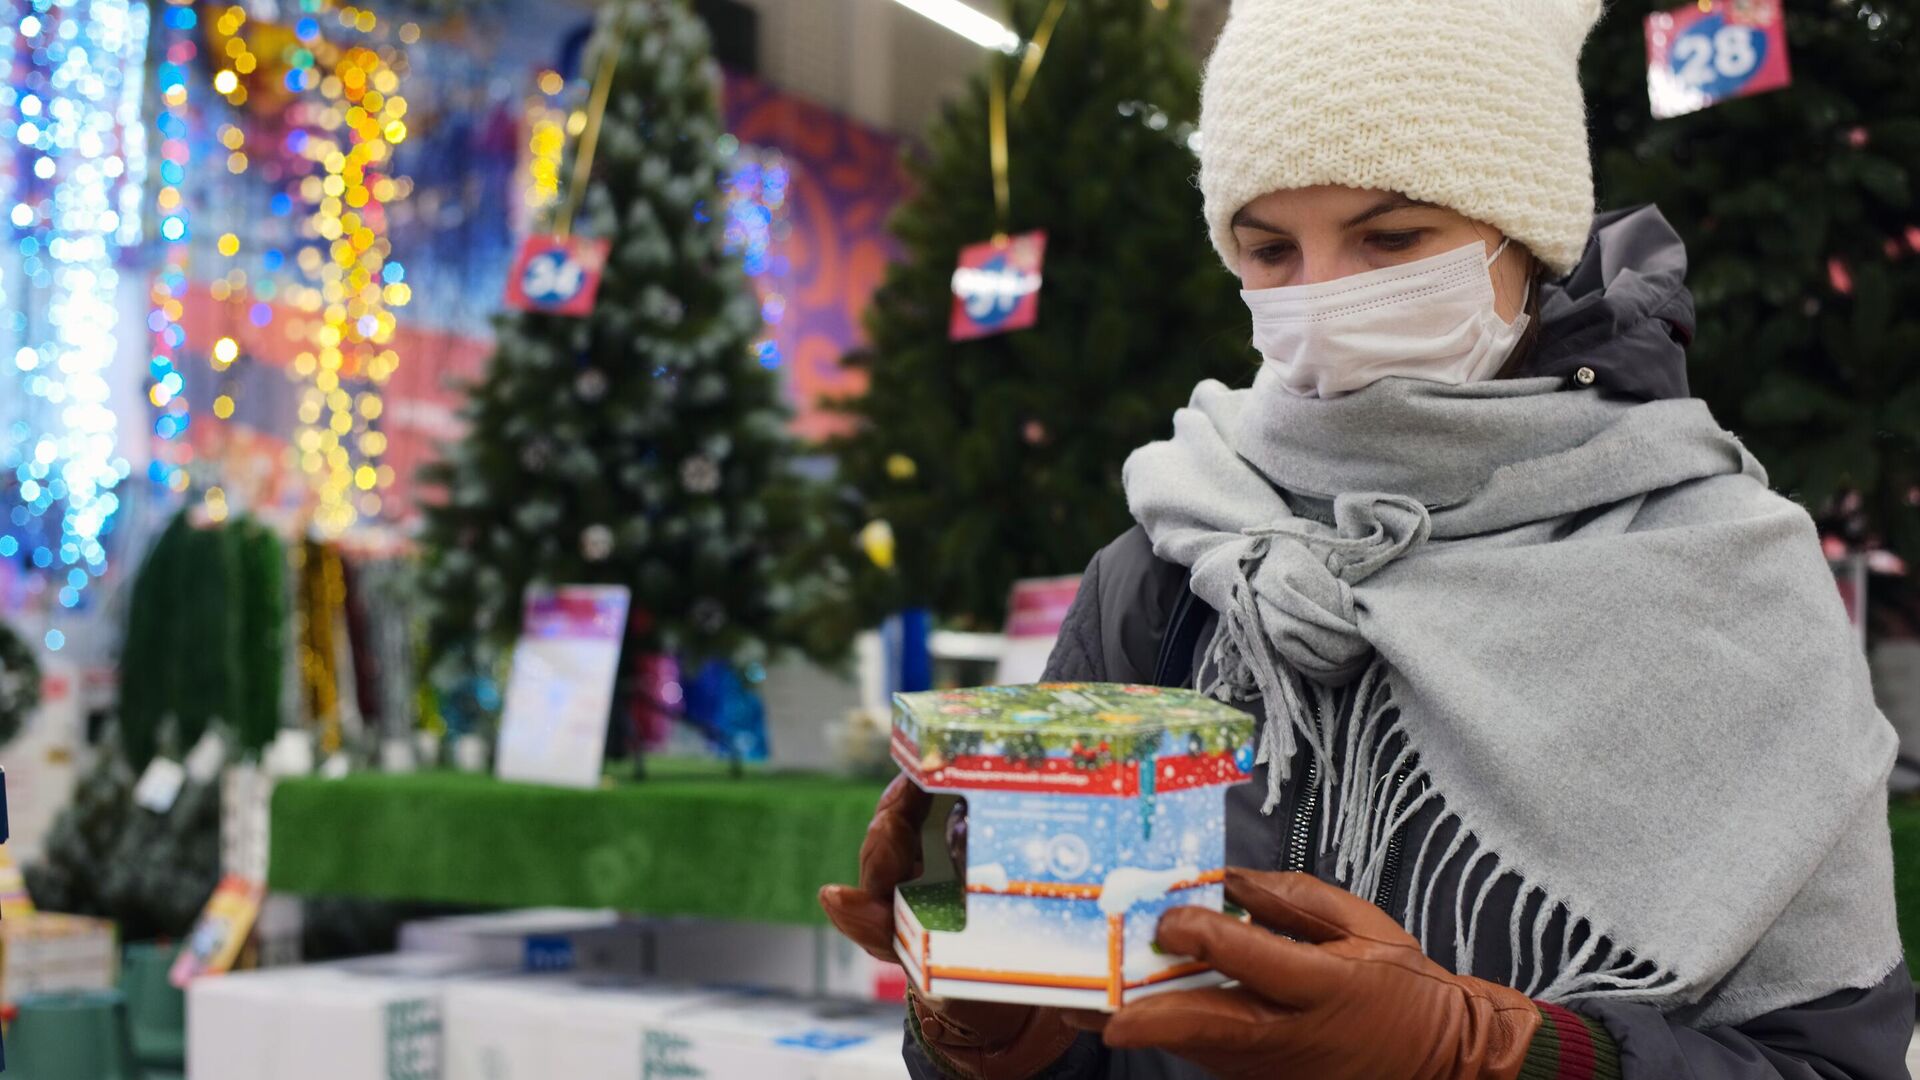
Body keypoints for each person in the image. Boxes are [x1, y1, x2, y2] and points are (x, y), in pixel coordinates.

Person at [821, 0, 1913, 1076]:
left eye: (1392, 237)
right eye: (1269, 249)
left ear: (1524, 239)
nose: (1325, 300)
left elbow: (1828, 1061)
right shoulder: (1170, 565)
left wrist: (1499, 1058)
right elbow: (1088, 1044)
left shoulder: (1725, 576)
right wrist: (992, 1028)